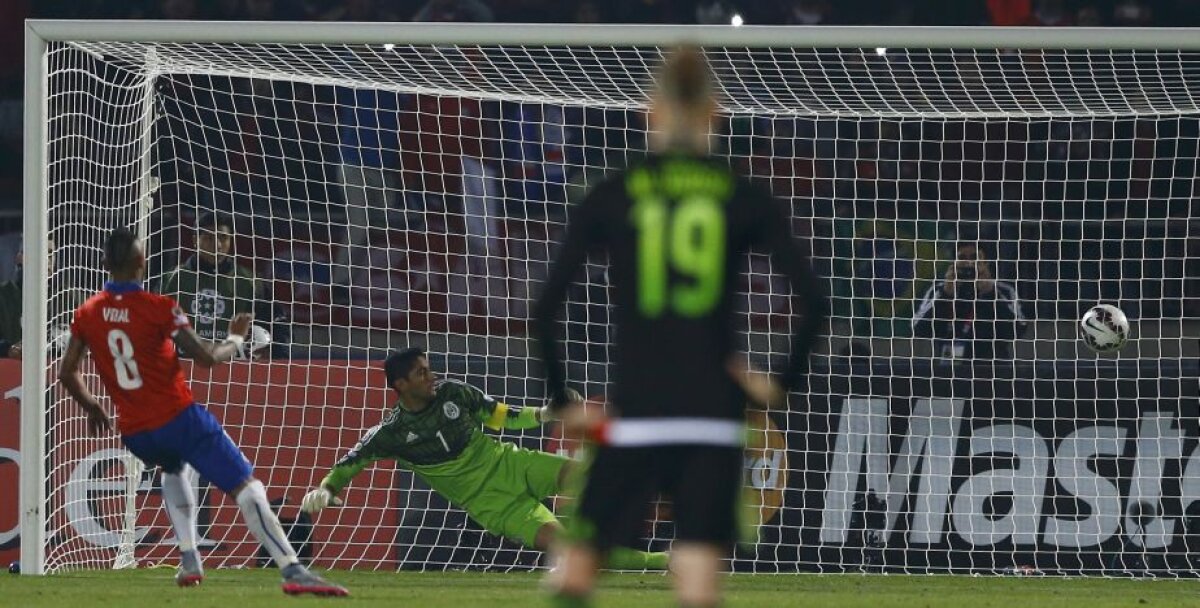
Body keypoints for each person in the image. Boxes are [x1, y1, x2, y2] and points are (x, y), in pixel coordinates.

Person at [533, 47, 827, 608]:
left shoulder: (613, 192)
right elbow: (814, 300)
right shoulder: (744, 195)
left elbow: (546, 306)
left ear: (651, 113)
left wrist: (560, 397)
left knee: (573, 573)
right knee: (695, 577)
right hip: (714, 417)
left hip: (637, 409)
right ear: (716, 114)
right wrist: (779, 382)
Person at [56, 227, 346, 596]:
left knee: (173, 467)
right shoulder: (160, 307)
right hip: (179, 418)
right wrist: (237, 338)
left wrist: (91, 405)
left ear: (104, 264)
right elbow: (207, 358)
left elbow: (67, 372)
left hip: (135, 433)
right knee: (246, 485)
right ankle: (292, 569)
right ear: (142, 263)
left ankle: (190, 558)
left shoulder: (87, 312)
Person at [299, 347, 669, 571]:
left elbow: (499, 415)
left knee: (591, 474)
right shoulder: (390, 434)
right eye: (421, 373)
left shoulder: (455, 393)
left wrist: (543, 414)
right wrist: (326, 488)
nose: (432, 376)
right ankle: (662, 563)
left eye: (429, 368)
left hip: (511, 462)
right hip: (490, 504)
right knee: (572, 549)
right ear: (401, 386)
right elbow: (351, 461)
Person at [159, 212, 283, 358]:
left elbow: (278, 322)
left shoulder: (249, 281)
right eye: (209, 238)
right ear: (195, 240)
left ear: (231, 240)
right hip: (183, 365)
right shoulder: (172, 280)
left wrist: (279, 358)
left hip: (233, 370)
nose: (217, 245)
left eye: (223, 238)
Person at [911, 243, 1027, 361]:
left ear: (986, 262)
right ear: (953, 263)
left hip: (992, 369)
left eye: (974, 257)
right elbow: (919, 329)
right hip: (948, 370)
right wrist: (945, 295)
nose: (968, 263)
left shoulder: (1004, 290)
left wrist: (990, 294)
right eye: (962, 258)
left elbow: (1018, 330)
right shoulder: (939, 290)